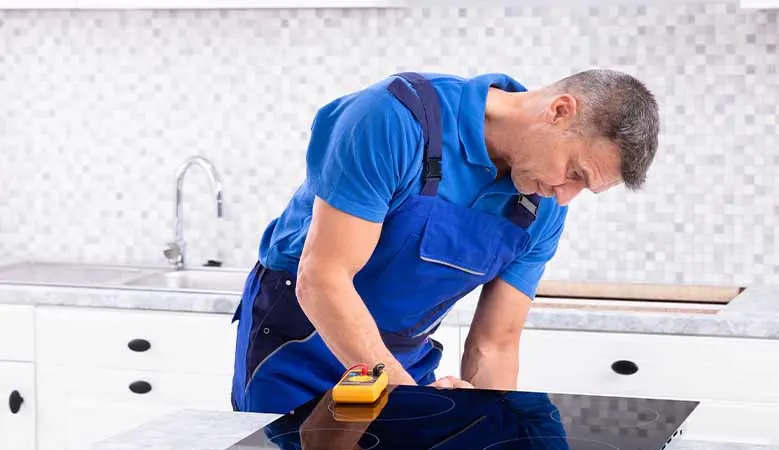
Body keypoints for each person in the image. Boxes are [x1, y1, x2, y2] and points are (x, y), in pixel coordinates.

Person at [230, 69, 660, 414]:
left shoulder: (542, 206)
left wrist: (493, 433)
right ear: (559, 111)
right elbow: (322, 278)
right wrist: (409, 405)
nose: (566, 196)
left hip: (402, 360)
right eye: (575, 173)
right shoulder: (394, 119)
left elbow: (495, 343)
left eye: (584, 188)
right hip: (300, 347)